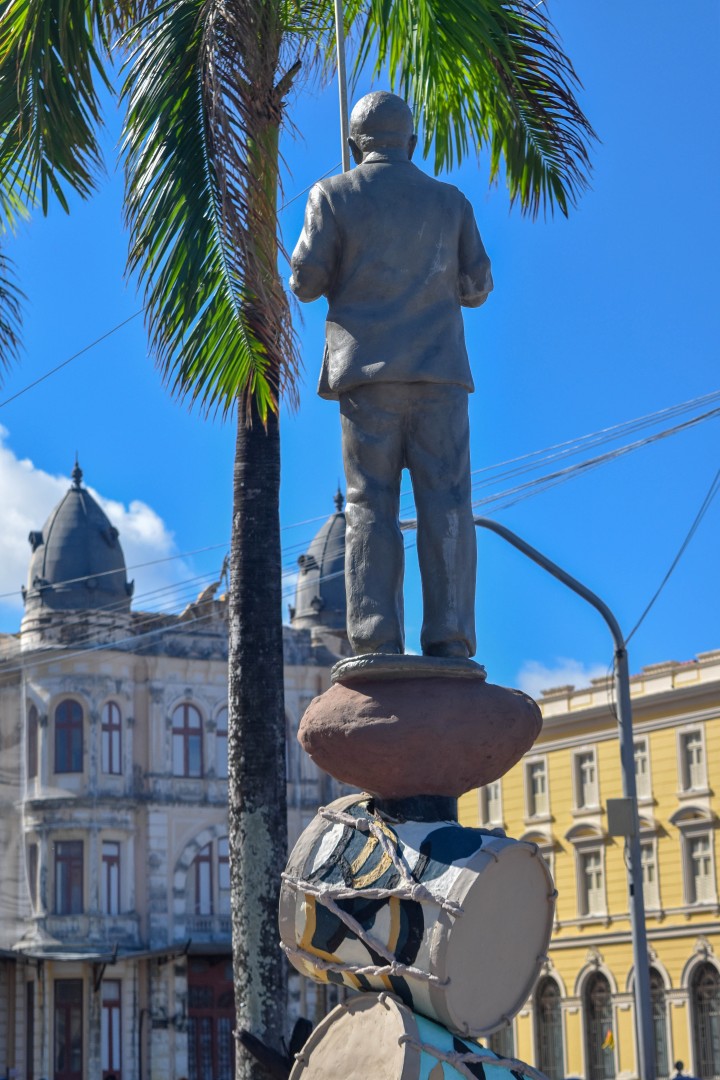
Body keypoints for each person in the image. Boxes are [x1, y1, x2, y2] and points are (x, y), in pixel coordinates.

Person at [290, 91, 493, 658]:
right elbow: (476, 288)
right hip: (439, 377)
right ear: (413, 142)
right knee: (448, 502)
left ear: (355, 146)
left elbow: (305, 281)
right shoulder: (451, 202)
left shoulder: (332, 195)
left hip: (367, 378)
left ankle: (375, 637)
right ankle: (450, 638)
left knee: (370, 504)